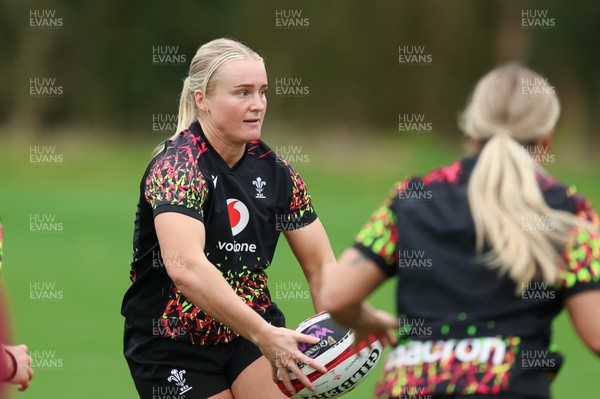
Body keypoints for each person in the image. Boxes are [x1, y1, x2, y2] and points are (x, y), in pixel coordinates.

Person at [321, 63, 600, 399]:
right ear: (547, 138)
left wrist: (367, 320)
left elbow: (335, 296)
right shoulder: (566, 211)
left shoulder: (411, 198)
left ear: (471, 130)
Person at [121, 38, 334, 399]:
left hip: (249, 334)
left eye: (263, 92)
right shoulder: (178, 167)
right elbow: (186, 268)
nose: (258, 105)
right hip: (171, 343)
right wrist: (264, 334)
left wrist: (338, 332)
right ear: (201, 99)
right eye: (242, 93)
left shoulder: (278, 173)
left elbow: (320, 265)